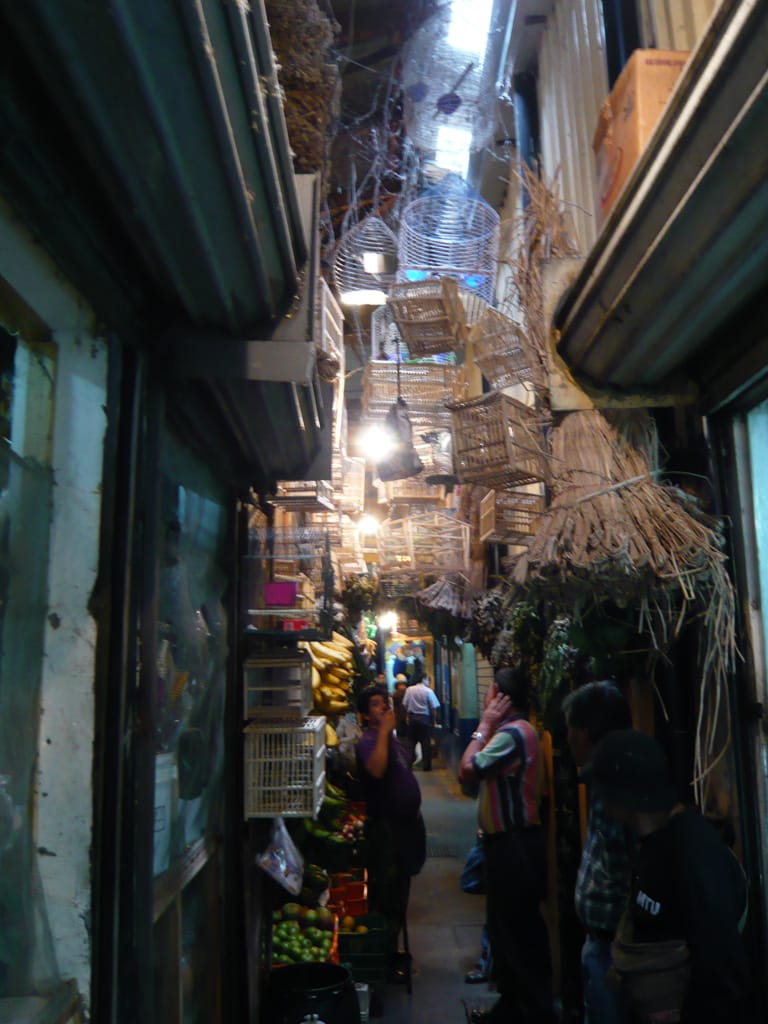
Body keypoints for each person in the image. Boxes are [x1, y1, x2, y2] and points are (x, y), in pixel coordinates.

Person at [587, 729, 753, 1024]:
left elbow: (723, 972)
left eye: (600, 787)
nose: (595, 796)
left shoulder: (694, 854)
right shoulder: (652, 843)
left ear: (622, 793)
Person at [459, 666, 556, 1024]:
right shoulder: (520, 731)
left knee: (517, 932)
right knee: (508, 929)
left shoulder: (511, 735)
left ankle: (531, 1011)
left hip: (514, 846)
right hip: (511, 845)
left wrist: (482, 725)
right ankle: (514, 1007)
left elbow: (467, 770)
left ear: (498, 694)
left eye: (489, 692)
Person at [562, 682, 634, 1024]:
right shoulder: (601, 781)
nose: (567, 739)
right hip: (602, 945)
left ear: (587, 732)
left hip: (616, 952)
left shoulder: (618, 790)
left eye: (571, 730)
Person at [355, 685, 426, 967]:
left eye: (384, 702)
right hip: (387, 831)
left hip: (405, 827)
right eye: (375, 704)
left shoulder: (389, 738)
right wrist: (385, 732)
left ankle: (393, 949)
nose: (383, 707)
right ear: (363, 714)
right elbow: (376, 769)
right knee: (387, 894)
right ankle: (383, 958)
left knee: (400, 892)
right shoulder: (367, 742)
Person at [402, 673, 440, 771]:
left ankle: (408, 765)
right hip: (424, 719)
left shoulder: (409, 690)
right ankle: (426, 766)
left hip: (412, 718)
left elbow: (405, 704)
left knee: (411, 743)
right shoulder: (428, 691)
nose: (428, 682)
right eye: (428, 680)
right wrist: (433, 720)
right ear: (423, 679)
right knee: (425, 744)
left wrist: (407, 716)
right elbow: (433, 708)